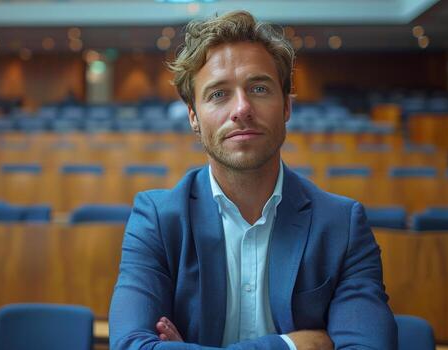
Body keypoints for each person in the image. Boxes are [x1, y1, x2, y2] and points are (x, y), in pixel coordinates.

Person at [109, 10, 397, 350]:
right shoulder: (157, 219)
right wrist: (292, 345)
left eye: (259, 88)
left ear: (287, 107)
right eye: (218, 94)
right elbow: (131, 346)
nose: (241, 108)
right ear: (194, 118)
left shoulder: (342, 226)